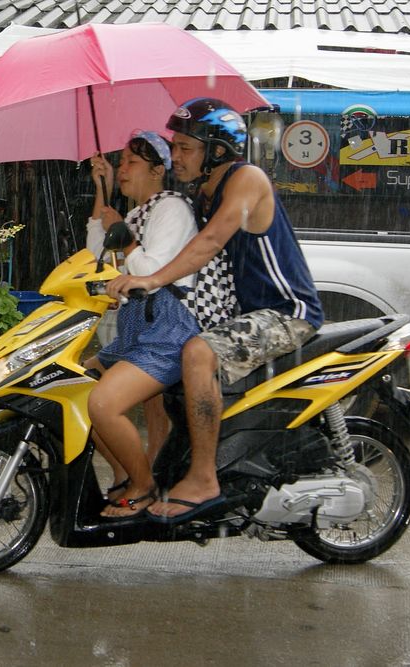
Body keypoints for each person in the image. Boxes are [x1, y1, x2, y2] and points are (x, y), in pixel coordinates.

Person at [107, 98, 323, 524]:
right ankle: (154, 470)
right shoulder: (200, 192)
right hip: (244, 313)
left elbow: (209, 244)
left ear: (218, 151)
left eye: (187, 148)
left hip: (285, 312)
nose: (176, 156)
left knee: (197, 353)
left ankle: (204, 477)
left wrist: (153, 278)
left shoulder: (247, 180)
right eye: (176, 147)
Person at [83, 131, 203, 519]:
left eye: (131, 163)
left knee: (103, 403)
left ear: (158, 170)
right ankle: (123, 476)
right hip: (135, 329)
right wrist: (101, 190)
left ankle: (143, 488)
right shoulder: (138, 212)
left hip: (167, 330)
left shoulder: (172, 208)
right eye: (120, 163)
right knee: (75, 385)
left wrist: (127, 238)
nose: (122, 170)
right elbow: (95, 253)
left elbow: (152, 270)